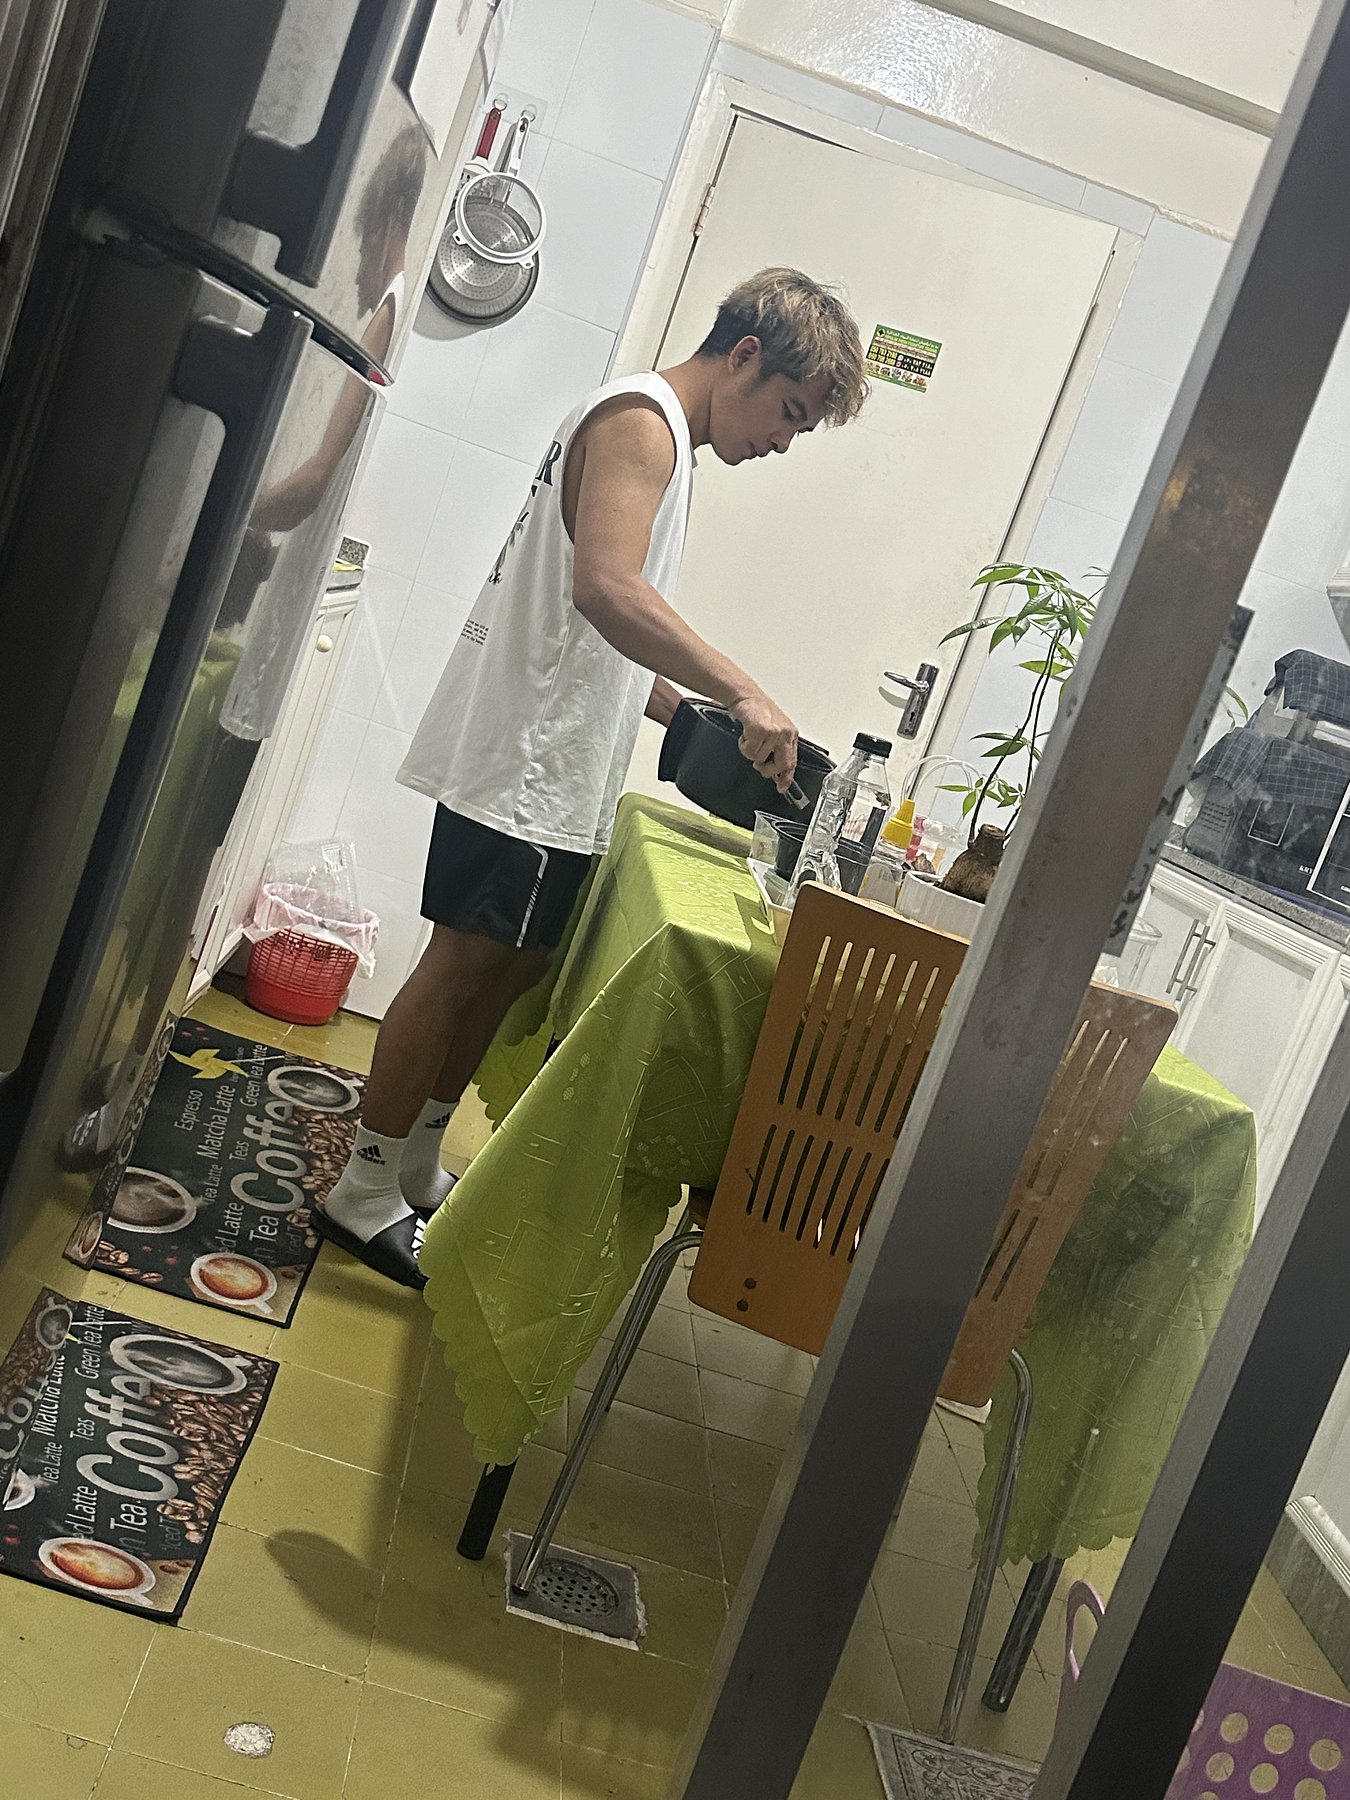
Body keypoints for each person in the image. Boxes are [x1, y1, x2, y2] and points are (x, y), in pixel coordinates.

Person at [316, 267, 869, 1286]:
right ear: (745, 356)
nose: (783, 442)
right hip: (524, 754)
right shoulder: (641, 423)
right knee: (461, 963)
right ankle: (361, 1189)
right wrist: (743, 690)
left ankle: (415, 1162)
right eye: (790, 413)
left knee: (512, 968)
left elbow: (598, 620)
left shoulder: (668, 442)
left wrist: (680, 714)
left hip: (557, 758)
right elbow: (605, 587)